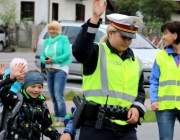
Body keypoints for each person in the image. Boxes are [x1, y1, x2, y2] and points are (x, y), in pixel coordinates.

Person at [60, 0, 147, 140]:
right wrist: (94, 19)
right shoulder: (96, 52)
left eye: (130, 38)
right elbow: (79, 51)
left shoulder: (136, 62)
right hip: (96, 126)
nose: (127, 41)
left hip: (126, 129)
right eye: (123, 37)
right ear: (111, 33)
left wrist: (136, 107)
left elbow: (140, 92)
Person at [0, 65, 62, 140]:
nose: (36, 90)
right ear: (25, 86)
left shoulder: (41, 104)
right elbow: (2, 92)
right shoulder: (15, 100)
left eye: (40, 87)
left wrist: (59, 137)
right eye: (33, 86)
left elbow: (46, 126)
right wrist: (10, 78)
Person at [150, 20, 180, 140]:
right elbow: (154, 80)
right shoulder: (160, 55)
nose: (163, 37)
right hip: (164, 108)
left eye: (165, 33)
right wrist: (153, 99)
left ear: (175, 35)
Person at [40, 20, 72, 127]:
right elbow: (41, 55)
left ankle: (62, 120)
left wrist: (53, 60)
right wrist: (44, 59)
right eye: (50, 29)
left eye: (53, 29)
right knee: (53, 97)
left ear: (58, 29)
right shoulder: (47, 41)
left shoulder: (64, 39)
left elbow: (67, 54)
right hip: (49, 71)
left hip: (60, 70)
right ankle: (57, 118)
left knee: (59, 96)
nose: (51, 31)